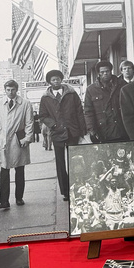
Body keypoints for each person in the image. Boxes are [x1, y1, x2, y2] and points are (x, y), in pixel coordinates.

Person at [38, 69, 87, 201]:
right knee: (60, 163)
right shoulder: (45, 98)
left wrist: (82, 131)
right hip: (57, 133)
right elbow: (42, 115)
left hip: (72, 132)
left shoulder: (71, 94)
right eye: (53, 80)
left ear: (61, 80)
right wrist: (53, 125)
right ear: (49, 82)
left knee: (75, 161)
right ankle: (65, 191)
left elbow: (79, 111)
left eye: (58, 79)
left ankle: (77, 189)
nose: (56, 82)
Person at [0, 80, 35, 210]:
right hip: (3, 140)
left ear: (17, 90)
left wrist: (27, 138)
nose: (10, 92)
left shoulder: (25, 104)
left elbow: (29, 122)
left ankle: (19, 197)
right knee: (4, 171)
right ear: (5, 90)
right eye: (8, 90)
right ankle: (4, 200)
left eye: (13, 90)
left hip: (18, 140)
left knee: (19, 170)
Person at [84, 60, 127, 143]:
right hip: (103, 131)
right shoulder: (91, 89)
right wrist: (92, 130)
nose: (105, 74)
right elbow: (88, 112)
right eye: (102, 72)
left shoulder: (122, 85)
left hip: (123, 128)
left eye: (107, 71)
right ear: (98, 73)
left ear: (111, 71)